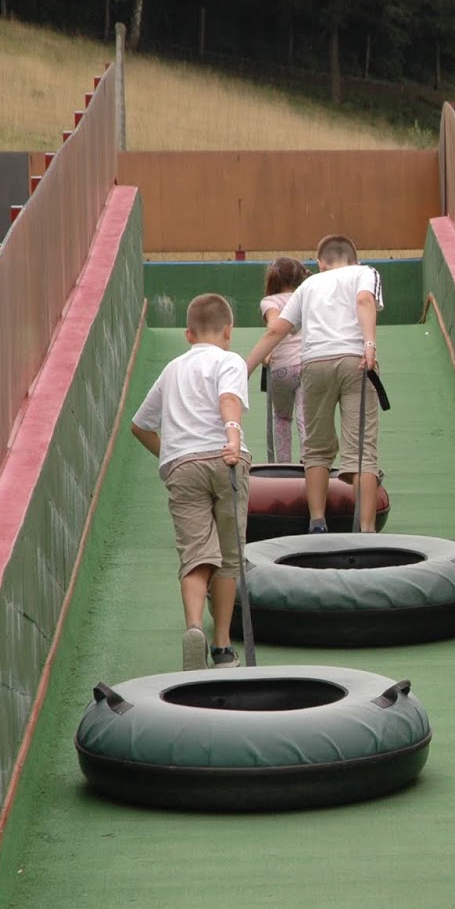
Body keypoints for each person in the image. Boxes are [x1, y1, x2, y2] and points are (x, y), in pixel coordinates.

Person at [130, 293, 250, 671]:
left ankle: (194, 627)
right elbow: (228, 398)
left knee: (196, 555)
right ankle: (223, 647)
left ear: (188, 334)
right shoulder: (229, 360)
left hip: (183, 465)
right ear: (228, 331)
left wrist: (172, 453)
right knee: (229, 558)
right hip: (225, 459)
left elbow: (139, 425)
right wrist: (232, 437)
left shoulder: (172, 370)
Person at [245, 233, 383, 532]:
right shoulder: (365, 273)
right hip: (354, 360)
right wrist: (369, 344)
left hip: (314, 363)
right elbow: (363, 300)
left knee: (316, 448)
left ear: (321, 263)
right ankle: (367, 529)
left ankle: (317, 521)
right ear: (355, 258)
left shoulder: (308, 285)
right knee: (361, 449)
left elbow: (276, 331)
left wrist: (245, 368)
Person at [260, 256, 310, 461]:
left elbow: (274, 325)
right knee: (306, 415)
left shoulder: (269, 301)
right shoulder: (307, 296)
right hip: (307, 364)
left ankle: (283, 464)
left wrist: (268, 350)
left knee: (281, 417)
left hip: (282, 369)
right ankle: (310, 458)